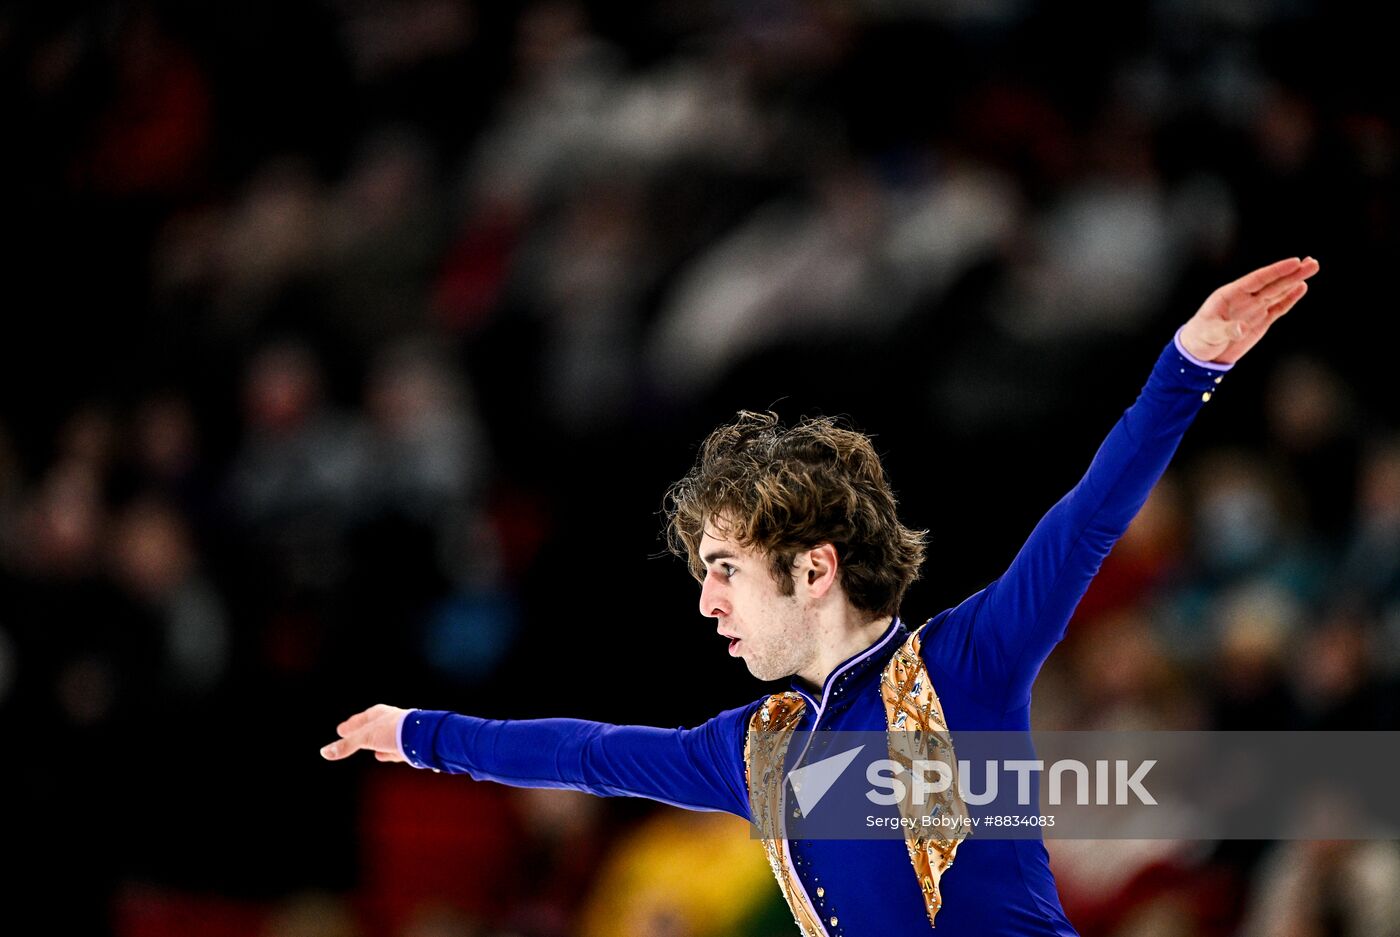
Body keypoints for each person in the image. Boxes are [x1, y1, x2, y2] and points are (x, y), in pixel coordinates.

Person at [321, 256, 1320, 936]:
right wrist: (417, 732)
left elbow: (1088, 520)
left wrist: (1186, 366)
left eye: (724, 570)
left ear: (812, 567)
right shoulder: (755, 751)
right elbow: (581, 751)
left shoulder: (960, 668)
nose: (706, 602)